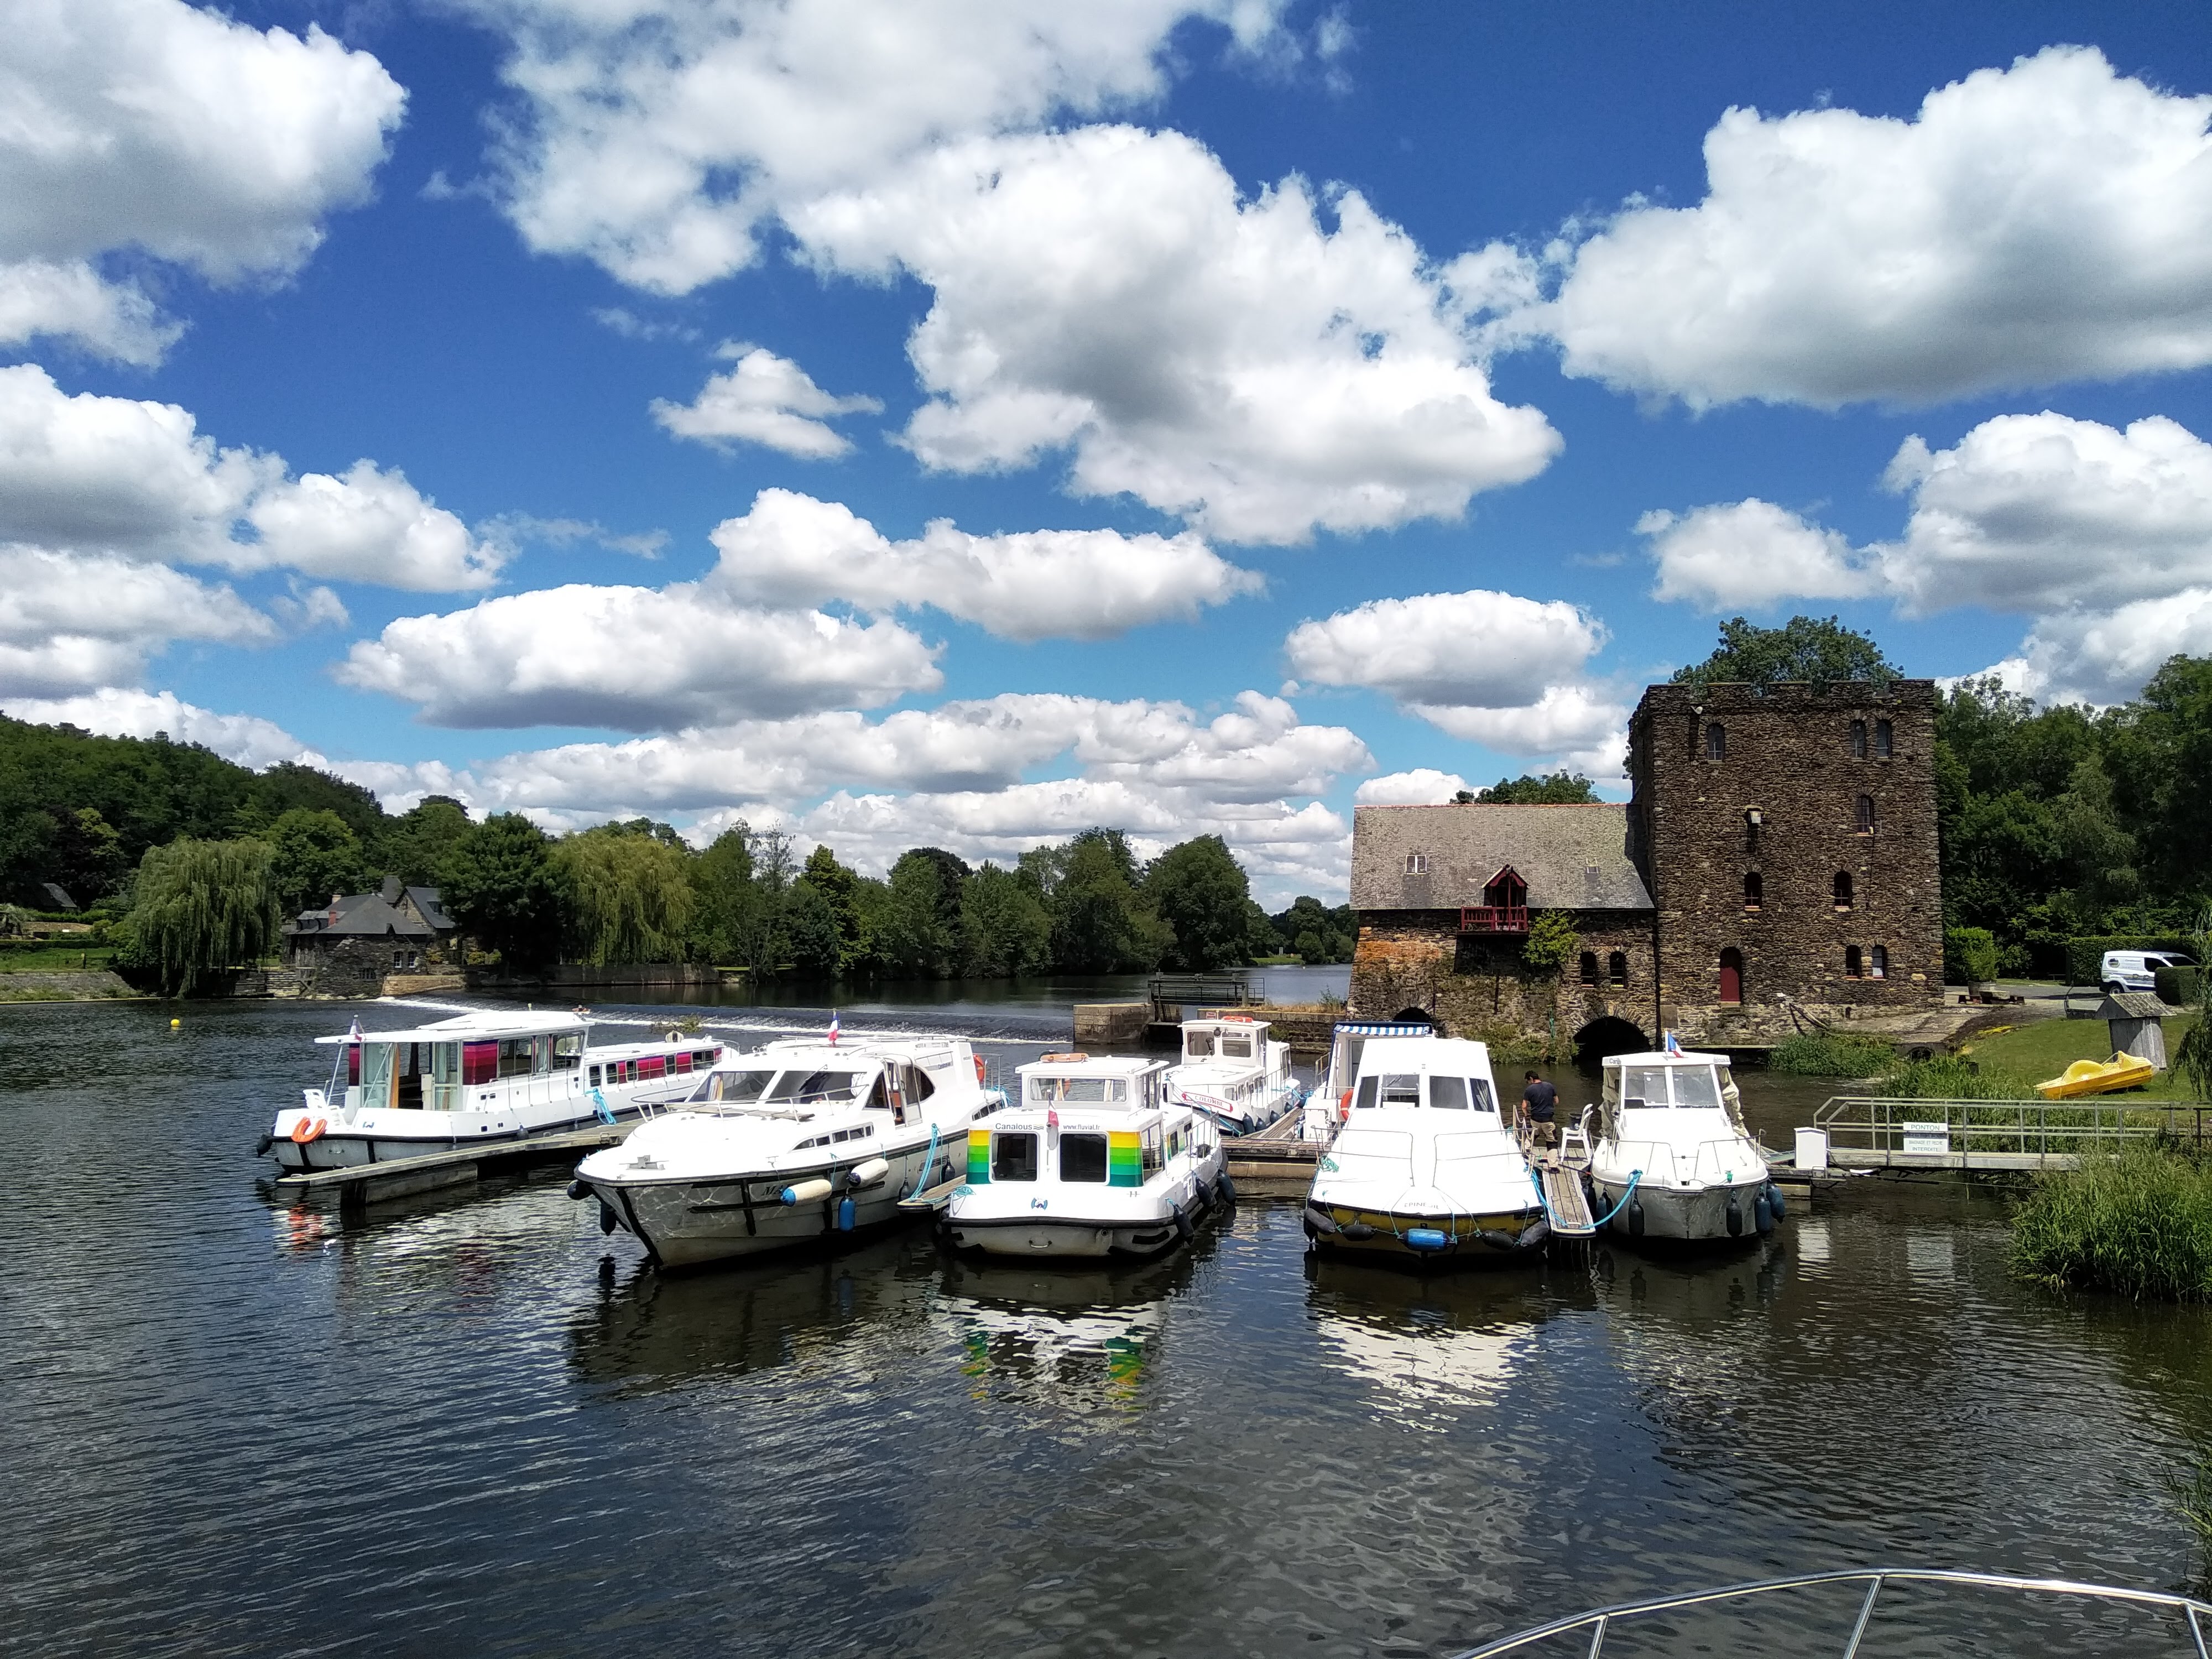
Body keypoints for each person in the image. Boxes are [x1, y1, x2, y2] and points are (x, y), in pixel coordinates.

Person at [1520, 1071, 1557, 1152]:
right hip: (1548, 1119)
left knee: (1532, 1135)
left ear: (1531, 1078)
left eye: (1528, 1081)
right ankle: (1553, 1164)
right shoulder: (1550, 1086)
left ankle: (1525, 1153)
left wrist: (1526, 1114)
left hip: (1535, 1119)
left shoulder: (1529, 1090)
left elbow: (1524, 1106)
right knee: (1552, 1141)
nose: (1529, 1083)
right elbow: (1557, 1101)